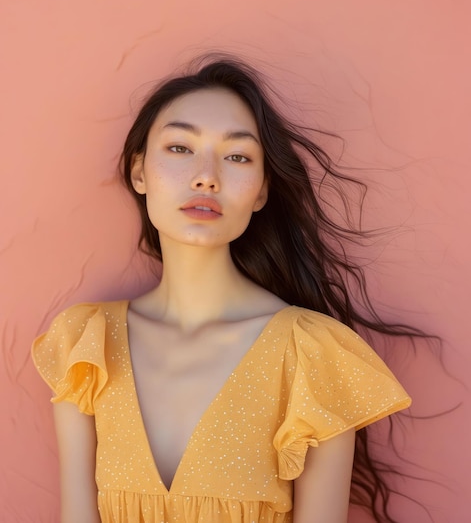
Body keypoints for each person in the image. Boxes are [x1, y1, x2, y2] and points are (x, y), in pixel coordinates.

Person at [32, 55, 415, 523]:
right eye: (179, 148)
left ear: (260, 191)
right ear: (139, 172)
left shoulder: (313, 356)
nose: (206, 175)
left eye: (237, 156)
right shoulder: (86, 345)